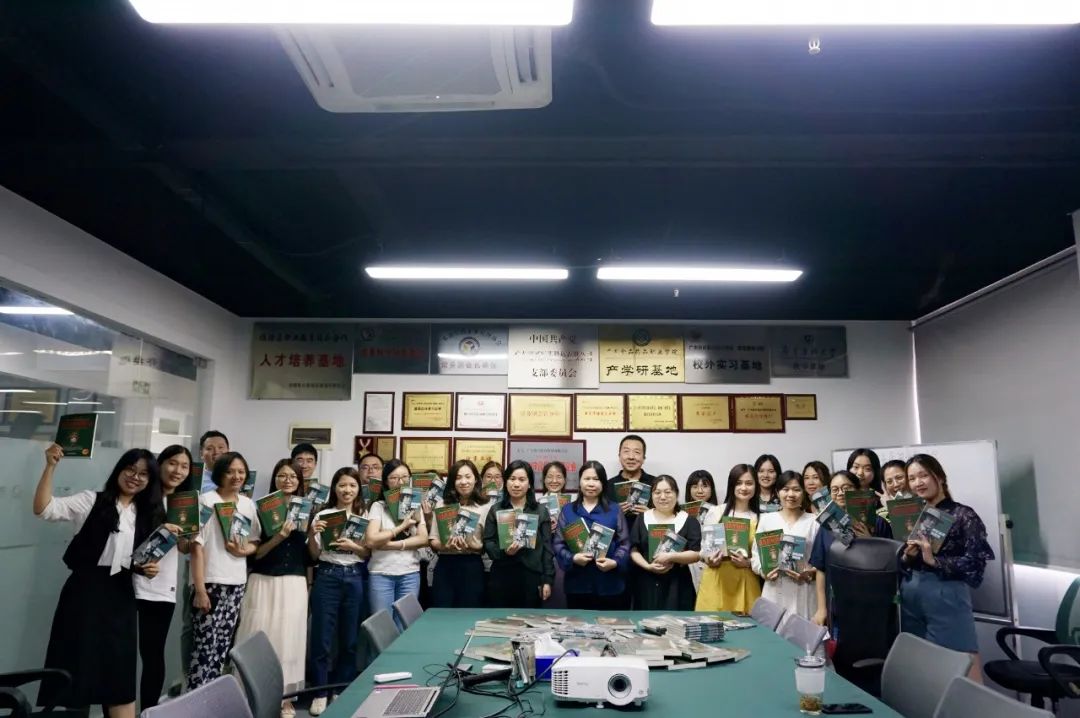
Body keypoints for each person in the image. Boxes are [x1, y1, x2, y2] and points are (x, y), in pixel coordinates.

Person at [34, 443, 165, 718]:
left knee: (119, 677)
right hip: (84, 595)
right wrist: (50, 467)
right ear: (119, 470)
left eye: (143, 474)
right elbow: (44, 508)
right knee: (77, 673)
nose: (135, 477)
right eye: (130, 469)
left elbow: (135, 559)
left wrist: (146, 569)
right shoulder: (91, 500)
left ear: (150, 480)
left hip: (121, 596)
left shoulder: (148, 514)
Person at [900, 454, 994, 682]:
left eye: (923, 475)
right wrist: (907, 556)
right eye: (912, 478)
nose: (918, 483)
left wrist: (935, 561)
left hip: (946, 595)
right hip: (911, 595)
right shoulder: (912, 517)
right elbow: (904, 561)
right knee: (920, 672)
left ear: (939, 477)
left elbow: (976, 563)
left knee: (962, 668)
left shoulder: (964, 515)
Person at [235, 458, 309, 718]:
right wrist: (279, 536)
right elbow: (256, 554)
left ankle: (285, 699)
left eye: (293, 476)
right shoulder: (259, 509)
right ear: (274, 479)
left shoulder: (308, 510)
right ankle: (249, 696)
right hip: (263, 581)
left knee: (290, 641)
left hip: (294, 583)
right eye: (282, 475)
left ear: (300, 481)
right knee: (257, 636)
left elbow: (311, 555)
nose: (287, 480)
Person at [188, 452, 261, 688]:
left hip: (236, 582)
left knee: (222, 645)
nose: (236, 476)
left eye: (241, 472)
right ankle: (195, 699)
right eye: (230, 471)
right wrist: (200, 590)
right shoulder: (206, 501)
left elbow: (255, 540)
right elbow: (196, 547)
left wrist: (243, 551)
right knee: (204, 646)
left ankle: (212, 698)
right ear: (219, 473)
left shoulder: (247, 504)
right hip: (210, 582)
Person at [308, 467, 371, 716]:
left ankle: (341, 687)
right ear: (334, 487)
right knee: (321, 637)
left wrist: (353, 546)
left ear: (358, 489)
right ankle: (320, 692)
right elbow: (314, 555)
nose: (347, 490)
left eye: (352, 486)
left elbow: (366, 553)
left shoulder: (364, 515)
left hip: (354, 577)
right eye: (342, 485)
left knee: (350, 638)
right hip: (327, 576)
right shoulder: (323, 514)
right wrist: (312, 533)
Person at [135, 445, 191, 711]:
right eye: (172, 463)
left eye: (184, 466)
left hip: (160, 589)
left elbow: (183, 548)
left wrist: (189, 537)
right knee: (120, 654)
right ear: (160, 464)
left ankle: (148, 711)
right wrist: (162, 530)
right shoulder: (141, 498)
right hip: (126, 585)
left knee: (153, 655)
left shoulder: (184, 504)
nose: (178, 470)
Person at [810, 471, 892, 630]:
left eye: (846, 488)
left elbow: (889, 565)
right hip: (837, 606)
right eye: (835, 490)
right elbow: (821, 569)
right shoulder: (826, 526)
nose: (840, 493)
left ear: (857, 490)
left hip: (872, 603)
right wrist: (821, 608)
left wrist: (869, 541)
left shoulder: (878, 523)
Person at [552, 461, 630, 610]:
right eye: (587, 479)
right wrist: (573, 558)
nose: (591, 484)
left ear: (603, 483)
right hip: (577, 584)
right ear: (580, 482)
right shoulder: (568, 510)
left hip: (609, 584)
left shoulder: (615, 510)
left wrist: (615, 562)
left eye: (596, 479)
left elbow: (624, 543)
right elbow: (558, 543)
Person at [184, 429, 229, 682]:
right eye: (210, 448)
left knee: (221, 627)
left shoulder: (238, 484)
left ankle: (216, 678)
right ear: (201, 453)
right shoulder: (193, 482)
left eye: (221, 448)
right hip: (195, 559)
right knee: (193, 623)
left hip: (226, 562)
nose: (216, 453)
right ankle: (188, 676)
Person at [482, 460, 554, 608]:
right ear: (506, 482)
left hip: (531, 577)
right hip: (501, 576)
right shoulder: (496, 509)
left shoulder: (540, 511)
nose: (516, 484)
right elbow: (488, 542)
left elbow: (547, 549)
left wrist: (547, 580)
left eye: (522, 480)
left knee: (528, 620)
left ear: (529, 484)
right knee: (499, 620)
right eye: (512, 479)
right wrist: (505, 552)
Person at [365, 459, 427, 629]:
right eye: (394, 478)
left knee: (406, 626)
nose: (400, 482)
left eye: (405, 477)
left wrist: (390, 544)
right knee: (382, 627)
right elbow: (371, 540)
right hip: (381, 573)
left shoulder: (415, 506)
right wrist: (401, 527)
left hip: (410, 573)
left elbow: (423, 539)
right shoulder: (378, 506)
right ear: (386, 481)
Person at [695, 464, 762, 613]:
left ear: (756, 486)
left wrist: (748, 563)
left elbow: (762, 558)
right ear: (731, 485)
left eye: (749, 483)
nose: (744, 488)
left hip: (746, 581)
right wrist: (709, 559)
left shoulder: (760, 518)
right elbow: (704, 549)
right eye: (739, 483)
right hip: (716, 579)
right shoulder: (716, 512)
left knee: (746, 626)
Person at [752, 470, 818, 620]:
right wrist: (763, 571)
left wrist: (810, 572)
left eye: (796, 489)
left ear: (804, 492)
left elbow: (821, 561)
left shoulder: (814, 521)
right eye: (785, 489)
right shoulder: (766, 519)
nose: (791, 494)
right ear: (777, 492)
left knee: (802, 631)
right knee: (773, 631)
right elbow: (755, 556)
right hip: (774, 589)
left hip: (804, 590)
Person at [629, 475, 701, 610]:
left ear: (676, 494)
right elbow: (634, 550)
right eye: (657, 492)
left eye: (668, 492)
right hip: (646, 584)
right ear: (651, 495)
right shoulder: (642, 518)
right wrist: (648, 566)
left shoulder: (689, 521)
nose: (662, 497)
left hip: (678, 585)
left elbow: (696, 554)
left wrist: (671, 556)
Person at [429, 460, 491, 608]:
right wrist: (445, 546)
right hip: (445, 566)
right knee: (442, 612)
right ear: (452, 481)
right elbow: (433, 540)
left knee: (469, 613)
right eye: (458, 478)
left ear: (476, 479)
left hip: (472, 566)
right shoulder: (442, 504)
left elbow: (489, 544)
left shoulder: (486, 507)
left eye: (468, 477)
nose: (463, 482)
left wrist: (475, 546)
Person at [609, 435, 655, 531]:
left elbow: (669, 517)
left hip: (647, 539)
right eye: (626, 451)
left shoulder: (656, 484)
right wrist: (614, 514)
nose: (631, 457)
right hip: (618, 539)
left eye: (637, 452)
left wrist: (651, 515)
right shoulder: (607, 485)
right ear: (619, 456)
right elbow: (601, 520)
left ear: (644, 458)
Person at [539, 460, 569, 608]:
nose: (554, 481)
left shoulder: (572, 505)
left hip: (565, 557)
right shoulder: (536, 504)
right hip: (543, 558)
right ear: (544, 480)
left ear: (565, 480)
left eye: (559, 476)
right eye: (550, 476)